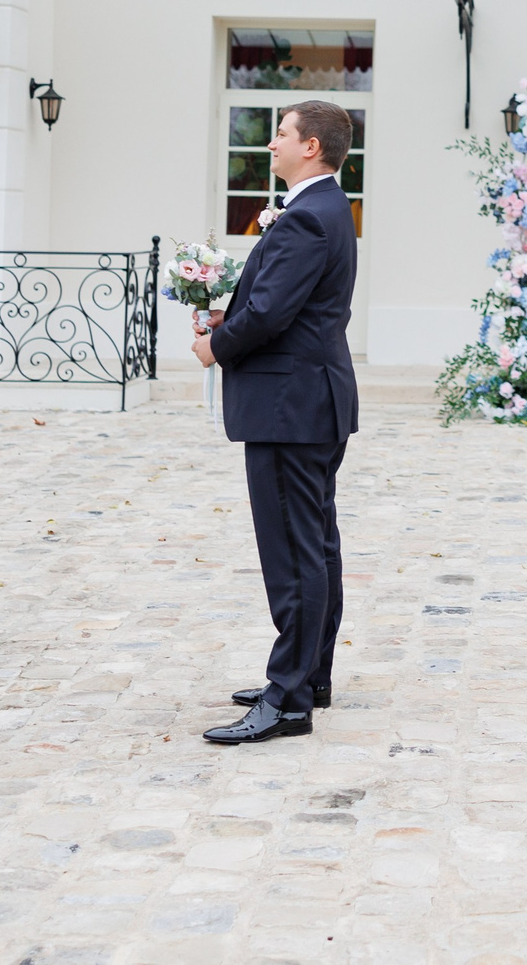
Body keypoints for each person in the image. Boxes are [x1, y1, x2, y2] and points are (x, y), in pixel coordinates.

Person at [193, 100, 360, 746]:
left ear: (311, 146)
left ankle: (289, 697)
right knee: (315, 539)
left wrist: (217, 344)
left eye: (282, 134)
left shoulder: (307, 221)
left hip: (291, 406)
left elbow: (267, 314)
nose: (271, 145)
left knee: (293, 550)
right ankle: (309, 671)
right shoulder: (325, 210)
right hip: (311, 400)